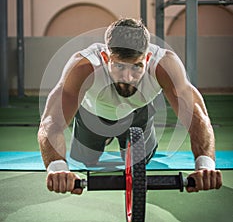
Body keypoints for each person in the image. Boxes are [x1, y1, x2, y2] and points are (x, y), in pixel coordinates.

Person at [38, 18, 222, 195]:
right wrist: (58, 168)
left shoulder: (164, 65)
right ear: (105, 56)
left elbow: (197, 117)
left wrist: (205, 166)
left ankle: (124, 138)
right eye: (119, 66)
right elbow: (51, 121)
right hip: (92, 115)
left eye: (136, 67)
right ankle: (105, 137)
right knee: (87, 161)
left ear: (148, 57)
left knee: (141, 162)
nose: (127, 77)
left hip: (137, 114)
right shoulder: (84, 66)